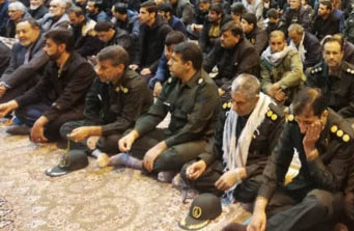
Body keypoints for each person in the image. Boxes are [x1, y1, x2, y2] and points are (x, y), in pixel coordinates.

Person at [242, 87, 354, 231]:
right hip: (303, 183)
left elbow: (332, 184)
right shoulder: (294, 122)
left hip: (330, 194)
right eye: (299, 121)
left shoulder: (343, 135)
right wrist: (260, 208)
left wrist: (311, 152)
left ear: (323, 115)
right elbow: (278, 162)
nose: (302, 128)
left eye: (308, 123)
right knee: (263, 203)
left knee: (316, 205)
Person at [113, 42, 220, 182]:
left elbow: (194, 128)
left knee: (170, 156)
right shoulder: (173, 81)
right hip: (174, 134)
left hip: (198, 139)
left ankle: (134, 162)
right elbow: (155, 113)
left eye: (174, 60)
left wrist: (161, 146)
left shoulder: (206, 88)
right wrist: (134, 134)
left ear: (188, 64)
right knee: (129, 135)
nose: (168, 63)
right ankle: (167, 168)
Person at [180, 74, 284, 204]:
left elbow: (276, 159)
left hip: (254, 169)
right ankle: (227, 187)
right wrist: (204, 161)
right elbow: (217, 141)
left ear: (256, 100)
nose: (234, 107)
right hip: (228, 161)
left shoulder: (273, 117)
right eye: (233, 100)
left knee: (260, 187)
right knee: (188, 169)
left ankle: (224, 187)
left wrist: (241, 173)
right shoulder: (228, 106)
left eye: (240, 103)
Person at [59, 45, 152, 162]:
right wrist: (92, 128)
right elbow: (91, 103)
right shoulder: (102, 77)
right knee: (66, 128)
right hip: (107, 121)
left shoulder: (135, 85)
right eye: (97, 65)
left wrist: (92, 131)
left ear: (120, 68)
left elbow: (125, 122)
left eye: (103, 67)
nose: (98, 71)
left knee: (113, 141)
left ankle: (91, 148)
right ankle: (97, 153)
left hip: (129, 127)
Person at [0, 29, 96, 142]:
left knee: (57, 124)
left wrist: (42, 120)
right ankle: (41, 129)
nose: (44, 49)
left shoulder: (83, 68)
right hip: (57, 105)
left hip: (76, 109)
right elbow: (39, 90)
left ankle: (40, 129)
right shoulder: (53, 63)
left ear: (61, 47)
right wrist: (12, 104)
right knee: (21, 110)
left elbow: (67, 99)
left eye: (48, 46)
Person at [305, 36, 354, 122]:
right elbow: (310, 100)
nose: (331, 57)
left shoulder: (353, 75)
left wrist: (334, 117)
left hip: (346, 116)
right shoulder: (314, 73)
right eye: (327, 53)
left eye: (335, 53)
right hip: (320, 114)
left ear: (342, 54)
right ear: (323, 54)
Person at [203, 21, 260, 94]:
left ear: (237, 37)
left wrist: (223, 89)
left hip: (239, 88)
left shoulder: (248, 51)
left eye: (225, 36)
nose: (222, 38)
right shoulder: (220, 43)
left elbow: (241, 77)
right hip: (220, 81)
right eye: (221, 35)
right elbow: (208, 63)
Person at [0, 18, 47, 103]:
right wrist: (2, 83)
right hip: (18, 81)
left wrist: (6, 85)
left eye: (24, 31)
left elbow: (31, 67)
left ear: (36, 30)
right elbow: (11, 68)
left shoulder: (46, 43)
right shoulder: (17, 46)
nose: (21, 35)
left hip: (40, 84)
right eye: (18, 32)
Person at [130, 1, 172, 81]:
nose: (139, 16)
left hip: (158, 67)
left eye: (143, 13)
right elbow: (139, 48)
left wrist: (151, 69)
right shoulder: (143, 26)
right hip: (144, 65)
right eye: (139, 12)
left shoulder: (165, 29)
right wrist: (136, 63)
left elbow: (165, 55)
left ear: (152, 14)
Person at [260, 30, 304, 105]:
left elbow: (297, 72)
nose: (276, 47)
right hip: (275, 93)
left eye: (279, 43)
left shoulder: (292, 53)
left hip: (294, 90)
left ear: (284, 42)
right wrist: (271, 91)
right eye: (273, 44)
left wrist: (279, 85)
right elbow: (264, 80)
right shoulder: (265, 58)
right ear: (269, 43)